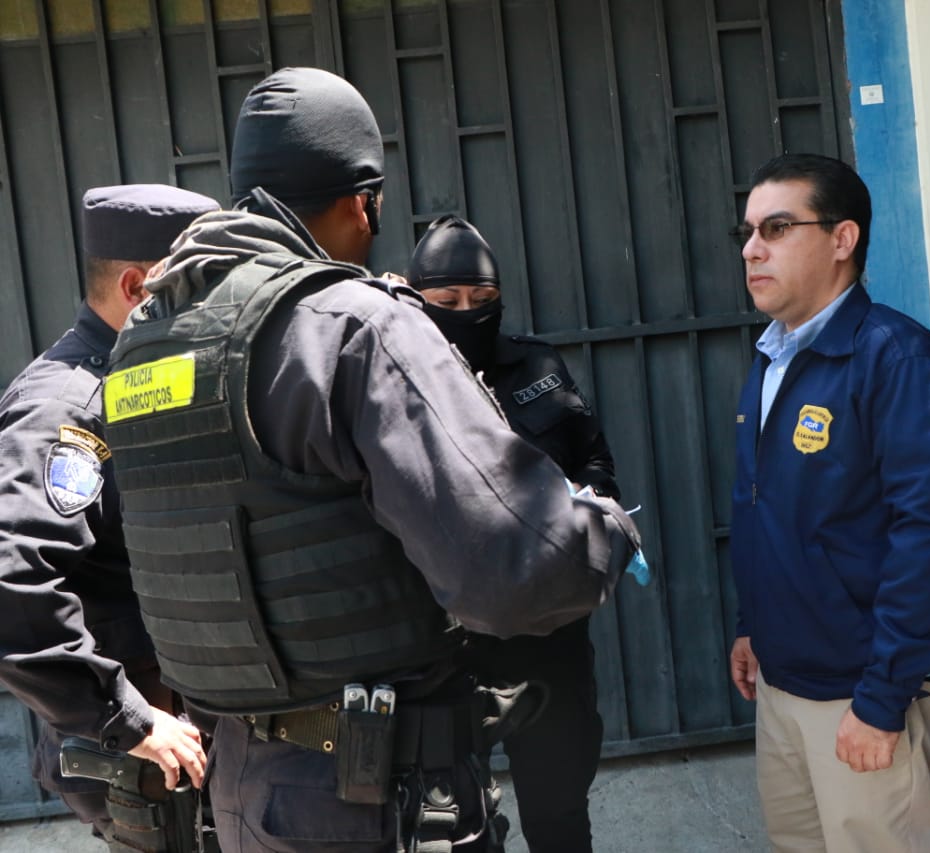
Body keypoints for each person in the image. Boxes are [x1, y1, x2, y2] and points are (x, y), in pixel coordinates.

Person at [101, 67, 639, 853]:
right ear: (363, 202)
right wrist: (605, 528)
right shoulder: (353, 325)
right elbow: (517, 573)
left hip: (241, 794)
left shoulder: (145, 343)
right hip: (374, 794)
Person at [727, 153, 930, 853]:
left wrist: (881, 698)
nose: (751, 249)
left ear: (843, 239)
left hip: (859, 691)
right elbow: (768, 508)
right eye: (747, 231)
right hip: (783, 680)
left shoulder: (898, 360)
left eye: (777, 228)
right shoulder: (774, 356)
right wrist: (752, 626)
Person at [0, 185, 218, 845]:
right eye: (199, 286)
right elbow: (10, 580)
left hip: (181, 735)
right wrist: (129, 718)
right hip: (145, 757)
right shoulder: (68, 406)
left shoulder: (139, 378)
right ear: (136, 287)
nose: (214, 307)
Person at [407, 216, 614, 853]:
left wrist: (583, 515)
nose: (467, 313)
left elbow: (594, 459)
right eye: (447, 301)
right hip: (445, 649)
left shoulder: (537, 365)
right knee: (454, 829)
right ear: (416, 300)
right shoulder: (395, 380)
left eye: (483, 298)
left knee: (559, 815)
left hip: (546, 638)